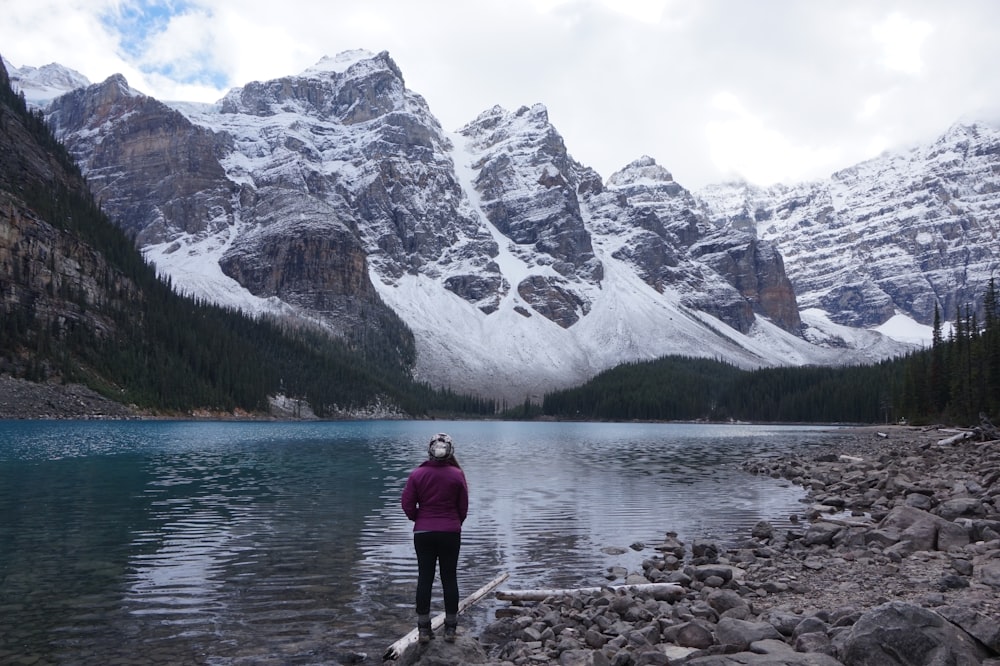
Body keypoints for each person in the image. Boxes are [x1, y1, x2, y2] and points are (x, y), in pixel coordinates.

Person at [401, 432, 469, 644]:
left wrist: (418, 519)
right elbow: (463, 507)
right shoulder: (457, 475)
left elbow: (407, 505)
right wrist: (455, 523)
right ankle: (450, 629)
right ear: (450, 451)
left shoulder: (417, 475)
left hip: (423, 533)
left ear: (430, 450)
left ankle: (423, 629)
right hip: (450, 532)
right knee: (449, 578)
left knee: (425, 578)